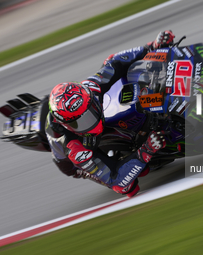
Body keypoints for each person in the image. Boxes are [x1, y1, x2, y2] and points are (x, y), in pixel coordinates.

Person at [46, 31, 175, 197]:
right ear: (67, 126)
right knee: (129, 188)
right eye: (82, 121)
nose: (90, 121)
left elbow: (115, 62)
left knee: (110, 62)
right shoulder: (74, 149)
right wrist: (146, 149)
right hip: (71, 162)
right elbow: (118, 181)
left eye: (91, 112)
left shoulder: (90, 88)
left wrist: (151, 46)